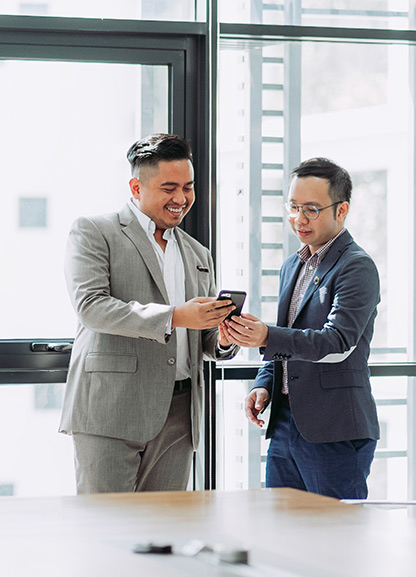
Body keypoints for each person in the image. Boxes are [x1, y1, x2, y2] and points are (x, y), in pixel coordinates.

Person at [59, 133, 238, 494]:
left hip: (181, 414)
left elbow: (199, 337)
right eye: (169, 187)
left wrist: (221, 337)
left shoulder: (199, 254)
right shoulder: (95, 232)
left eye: (188, 187)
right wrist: (174, 316)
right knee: (106, 528)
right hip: (111, 408)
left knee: (165, 532)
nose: (181, 198)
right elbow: (92, 308)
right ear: (136, 187)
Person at [222, 157, 380, 499]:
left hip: (333, 430)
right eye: (293, 207)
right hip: (284, 425)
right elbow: (288, 339)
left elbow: (338, 343)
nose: (298, 219)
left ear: (341, 210)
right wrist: (264, 384)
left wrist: (266, 335)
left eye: (311, 208)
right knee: (283, 536)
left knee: (334, 541)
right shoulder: (293, 265)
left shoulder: (356, 267)